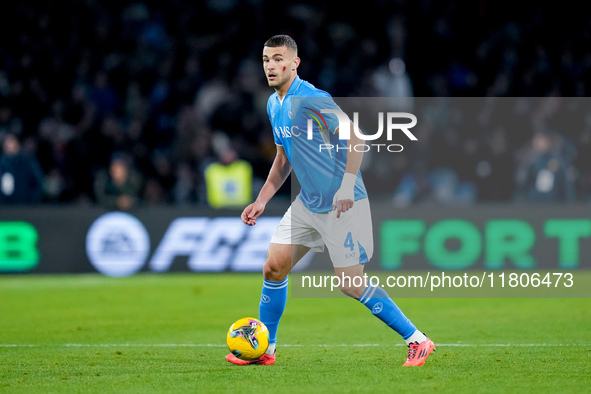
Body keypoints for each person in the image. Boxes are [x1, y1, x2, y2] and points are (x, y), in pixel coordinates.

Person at [225, 35, 434, 367]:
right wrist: (262, 199)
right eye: (266, 59)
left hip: (342, 203)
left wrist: (347, 186)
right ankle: (267, 349)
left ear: (295, 63)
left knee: (351, 284)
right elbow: (283, 158)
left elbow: (356, 137)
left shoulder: (310, 98)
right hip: (308, 203)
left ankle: (418, 340)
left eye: (278, 59)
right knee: (273, 267)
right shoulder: (274, 104)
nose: (270, 66)